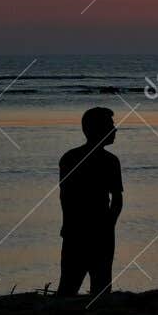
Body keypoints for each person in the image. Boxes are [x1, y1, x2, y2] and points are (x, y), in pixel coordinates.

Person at [57, 106, 123, 297]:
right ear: (96, 129)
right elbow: (117, 200)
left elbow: (65, 199)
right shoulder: (109, 161)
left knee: (70, 286)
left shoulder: (70, 157)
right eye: (110, 125)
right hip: (89, 230)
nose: (115, 129)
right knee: (96, 287)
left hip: (77, 230)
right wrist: (108, 226)